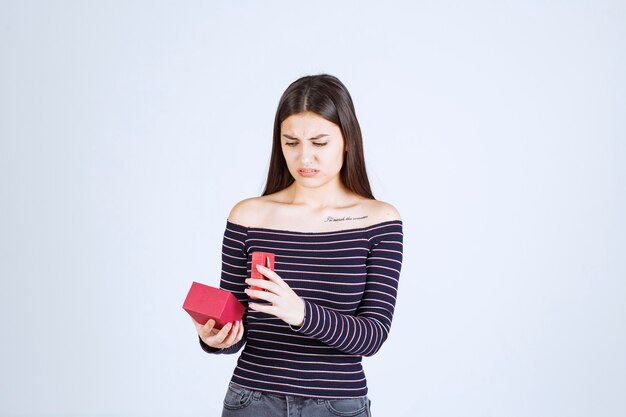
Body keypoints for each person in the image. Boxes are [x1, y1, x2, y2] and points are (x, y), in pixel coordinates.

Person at [191, 74, 403, 417]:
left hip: (337, 405)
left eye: (319, 143)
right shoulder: (249, 216)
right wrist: (216, 338)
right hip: (252, 400)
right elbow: (236, 323)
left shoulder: (378, 221)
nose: (305, 158)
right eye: (291, 143)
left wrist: (300, 312)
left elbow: (373, 336)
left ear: (347, 141)